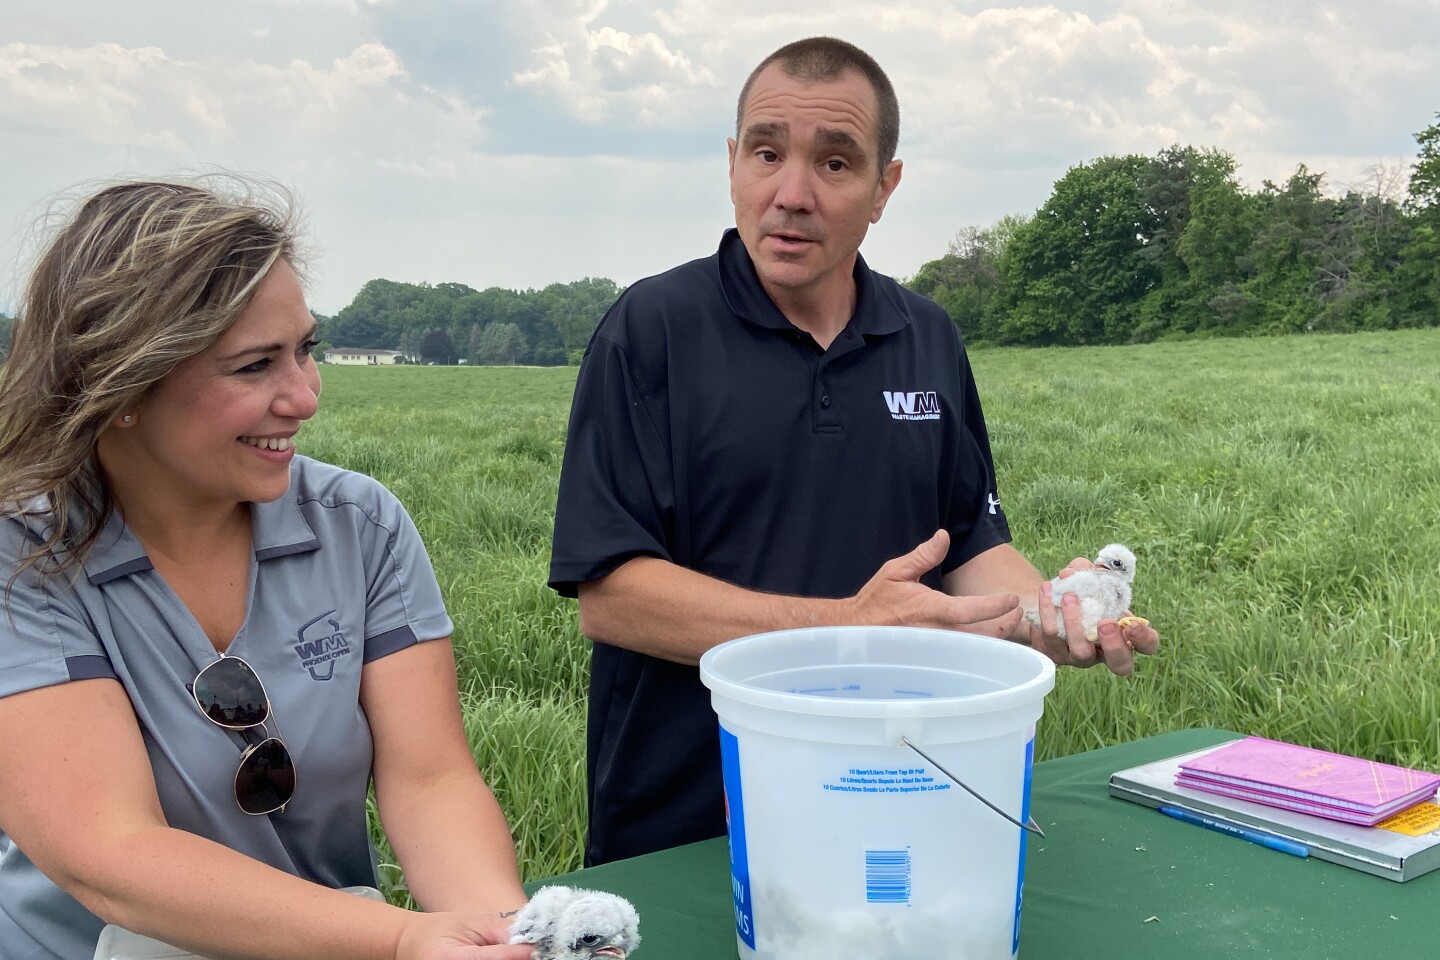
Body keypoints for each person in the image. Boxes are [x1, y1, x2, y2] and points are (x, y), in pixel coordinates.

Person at [548, 36, 1161, 867]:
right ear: (733, 164)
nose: (791, 194)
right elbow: (613, 596)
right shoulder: (652, 331)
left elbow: (970, 546)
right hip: (689, 829)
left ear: (884, 188)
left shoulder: (928, 337)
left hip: (903, 803)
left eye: (835, 164)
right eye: (767, 153)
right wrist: (848, 631)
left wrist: (1046, 614)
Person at [0, 178, 534, 960]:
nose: (305, 396)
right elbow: (110, 854)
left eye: (305, 350)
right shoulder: (22, 554)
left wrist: (504, 932)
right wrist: (400, 941)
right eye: (255, 366)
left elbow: (430, 780)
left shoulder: (360, 524)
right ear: (120, 386)